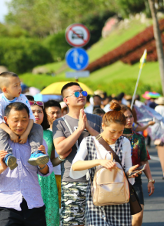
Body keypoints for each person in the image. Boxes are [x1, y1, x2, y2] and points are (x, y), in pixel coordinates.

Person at [0, 102, 53, 226]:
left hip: (34, 203)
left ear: (29, 120)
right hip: (6, 205)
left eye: (24, 120)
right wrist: (2, 168)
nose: (20, 125)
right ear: (5, 120)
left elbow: (47, 171)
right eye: (15, 120)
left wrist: (42, 163)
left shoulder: (37, 142)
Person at [71, 102, 139, 226]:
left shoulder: (124, 142)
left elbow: (127, 168)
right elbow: (75, 166)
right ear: (103, 125)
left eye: (120, 132)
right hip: (96, 197)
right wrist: (99, 162)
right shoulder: (89, 141)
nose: (116, 136)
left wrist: (131, 172)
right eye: (112, 131)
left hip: (119, 196)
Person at [53, 82, 102, 226]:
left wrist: (90, 129)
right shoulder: (59, 123)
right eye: (76, 93)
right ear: (66, 100)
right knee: (73, 222)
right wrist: (80, 129)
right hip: (72, 180)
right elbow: (61, 150)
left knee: (97, 222)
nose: (81, 95)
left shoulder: (97, 119)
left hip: (97, 179)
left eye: (82, 92)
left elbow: (106, 145)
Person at [0, 72, 48, 170]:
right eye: (15, 86)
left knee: (38, 127)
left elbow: (30, 118)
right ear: (5, 89)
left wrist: (26, 133)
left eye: (19, 84)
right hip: (5, 127)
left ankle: (35, 153)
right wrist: (10, 132)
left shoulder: (22, 97)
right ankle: (8, 156)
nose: (19, 88)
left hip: (23, 127)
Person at [121, 105, 155, 226]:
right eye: (125, 117)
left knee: (138, 215)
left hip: (135, 180)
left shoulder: (139, 138)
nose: (129, 120)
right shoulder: (114, 138)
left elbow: (144, 160)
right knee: (122, 218)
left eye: (131, 116)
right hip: (118, 181)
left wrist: (150, 179)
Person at [31, 101, 60, 226]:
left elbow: (52, 160)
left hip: (47, 179)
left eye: (39, 111)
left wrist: (63, 158)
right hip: (31, 178)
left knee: (50, 214)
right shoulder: (21, 134)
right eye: (33, 111)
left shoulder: (49, 134)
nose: (37, 114)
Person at [43, 100, 64, 206]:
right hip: (50, 176)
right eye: (52, 113)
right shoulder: (44, 133)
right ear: (45, 114)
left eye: (58, 112)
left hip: (66, 175)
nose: (56, 115)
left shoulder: (67, 131)